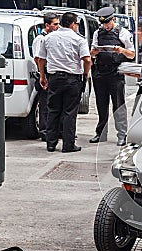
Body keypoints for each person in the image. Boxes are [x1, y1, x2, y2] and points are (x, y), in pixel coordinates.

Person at [38, 12, 91, 153]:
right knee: (69, 112)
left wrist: (42, 76)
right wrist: (85, 74)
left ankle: (51, 143)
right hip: (72, 79)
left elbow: (41, 59)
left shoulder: (48, 38)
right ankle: (68, 145)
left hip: (54, 78)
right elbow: (87, 59)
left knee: (53, 110)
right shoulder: (79, 39)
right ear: (73, 24)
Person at [89, 7, 135, 146]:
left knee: (118, 105)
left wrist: (121, 50)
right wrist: (95, 51)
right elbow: (91, 53)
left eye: (107, 23)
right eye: (103, 24)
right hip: (100, 72)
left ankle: (122, 135)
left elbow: (132, 55)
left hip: (115, 73)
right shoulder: (98, 33)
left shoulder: (123, 33)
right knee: (101, 105)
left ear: (113, 19)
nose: (106, 26)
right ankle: (101, 133)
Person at [32, 12, 60, 141]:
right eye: (55, 24)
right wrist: (43, 75)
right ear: (47, 25)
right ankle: (44, 131)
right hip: (45, 74)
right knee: (45, 105)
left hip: (52, 73)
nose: (57, 26)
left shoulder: (52, 37)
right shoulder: (41, 39)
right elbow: (38, 59)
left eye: (58, 24)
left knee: (53, 104)